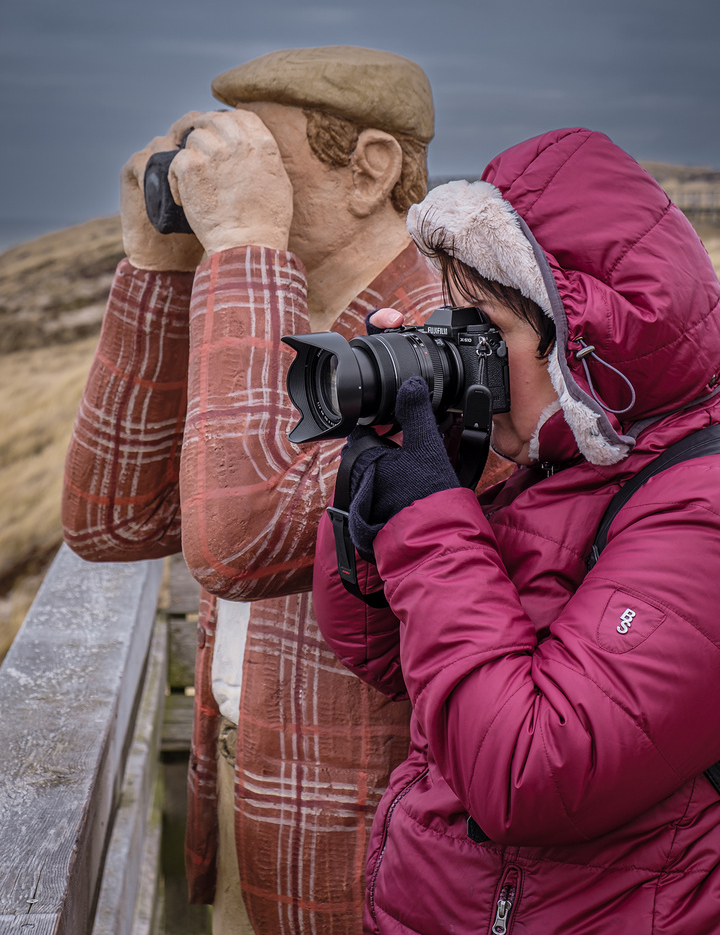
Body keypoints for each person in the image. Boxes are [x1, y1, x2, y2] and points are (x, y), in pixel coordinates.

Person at [62, 45, 509, 933]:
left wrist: (243, 249)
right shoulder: (282, 321)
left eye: (262, 152)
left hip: (371, 837)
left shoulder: (435, 347)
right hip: (249, 776)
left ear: (373, 168)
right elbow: (111, 522)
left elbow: (236, 540)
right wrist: (155, 267)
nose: (226, 176)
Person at [313, 126, 720, 934]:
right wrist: (378, 486)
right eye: (452, 321)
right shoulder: (562, 467)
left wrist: (431, 525)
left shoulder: (697, 505)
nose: (468, 360)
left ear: (586, 340)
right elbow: (383, 657)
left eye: (485, 331)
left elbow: (530, 773)